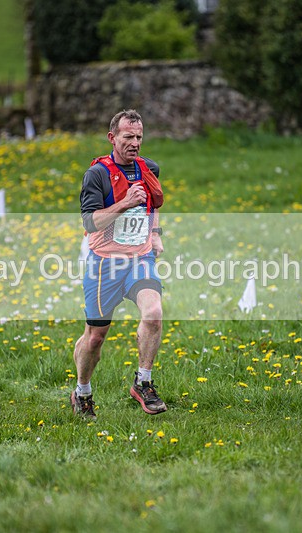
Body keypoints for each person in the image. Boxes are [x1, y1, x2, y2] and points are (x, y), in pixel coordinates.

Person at [71, 109, 166, 419]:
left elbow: (152, 205)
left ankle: (143, 382)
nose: (135, 143)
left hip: (140, 258)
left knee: (153, 314)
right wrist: (125, 203)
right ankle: (82, 391)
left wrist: (155, 234)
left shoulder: (149, 168)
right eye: (128, 137)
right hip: (105, 264)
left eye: (139, 137)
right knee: (95, 337)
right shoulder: (97, 174)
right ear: (112, 138)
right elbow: (91, 222)